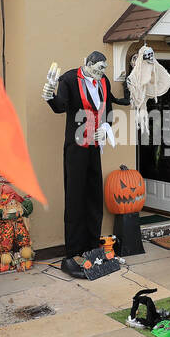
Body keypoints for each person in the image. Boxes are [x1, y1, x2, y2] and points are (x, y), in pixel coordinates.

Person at [43, 51, 130, 271]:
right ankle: (73, 253)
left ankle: (93, 247)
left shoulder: (103, 81)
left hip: (94, 147)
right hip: (76, 147)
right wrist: (49, 95)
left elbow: (107, 108)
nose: (102, 72)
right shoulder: (70, 79)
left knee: (94, 196)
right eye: (100, 67)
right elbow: (61, 106)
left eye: (104, 68)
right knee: (75, 198)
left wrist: (106, 128)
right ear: (89, 64)